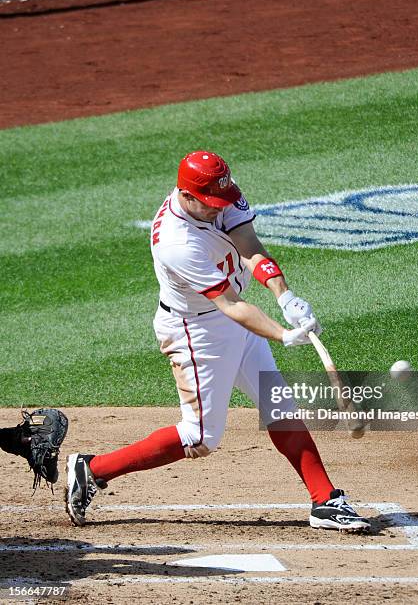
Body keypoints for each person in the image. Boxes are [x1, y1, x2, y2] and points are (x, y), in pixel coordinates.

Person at [65, 151, 369, 533]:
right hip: (197, 332)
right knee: (201, 436)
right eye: (210, 205)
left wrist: (284, 297)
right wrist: (281, 332)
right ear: (187, 195)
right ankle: (92, 469)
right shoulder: (177, 243)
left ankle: (325, 500)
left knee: (277, 403)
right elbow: (231, 305)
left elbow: (249, 246)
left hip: (231, 319)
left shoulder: (219, 195)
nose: (218, 210)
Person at [0, 408, 68, 490]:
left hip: (48, 425)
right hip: (39, 426)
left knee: (46, 468)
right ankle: (24, 439)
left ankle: (28, 441)